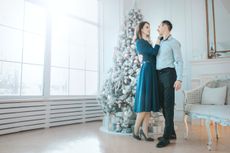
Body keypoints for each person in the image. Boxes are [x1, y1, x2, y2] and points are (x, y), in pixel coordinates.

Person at [133, 21, 162, 141]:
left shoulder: (147, 42)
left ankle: (145, 133)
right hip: (147, 71)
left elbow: (154, 55)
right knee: (145, 103)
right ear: (141, 29)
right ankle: (135, 131)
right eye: (147, 27)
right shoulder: (139, 42)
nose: (149, 29)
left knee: (148, 104)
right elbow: (154, 52)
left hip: (151, 71)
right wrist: (159, 39)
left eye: (149, 27)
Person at [156, 20, 183, 148]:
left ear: (166, 27)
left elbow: (179, 61)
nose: (157, 28)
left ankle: (166, 137)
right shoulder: (159, 42)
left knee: (168, 105)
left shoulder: (174, 42)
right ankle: (171, 132)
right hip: (158, 75)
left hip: (168, 74)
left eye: (159, 26)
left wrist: (179, 79)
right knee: (162, 104)